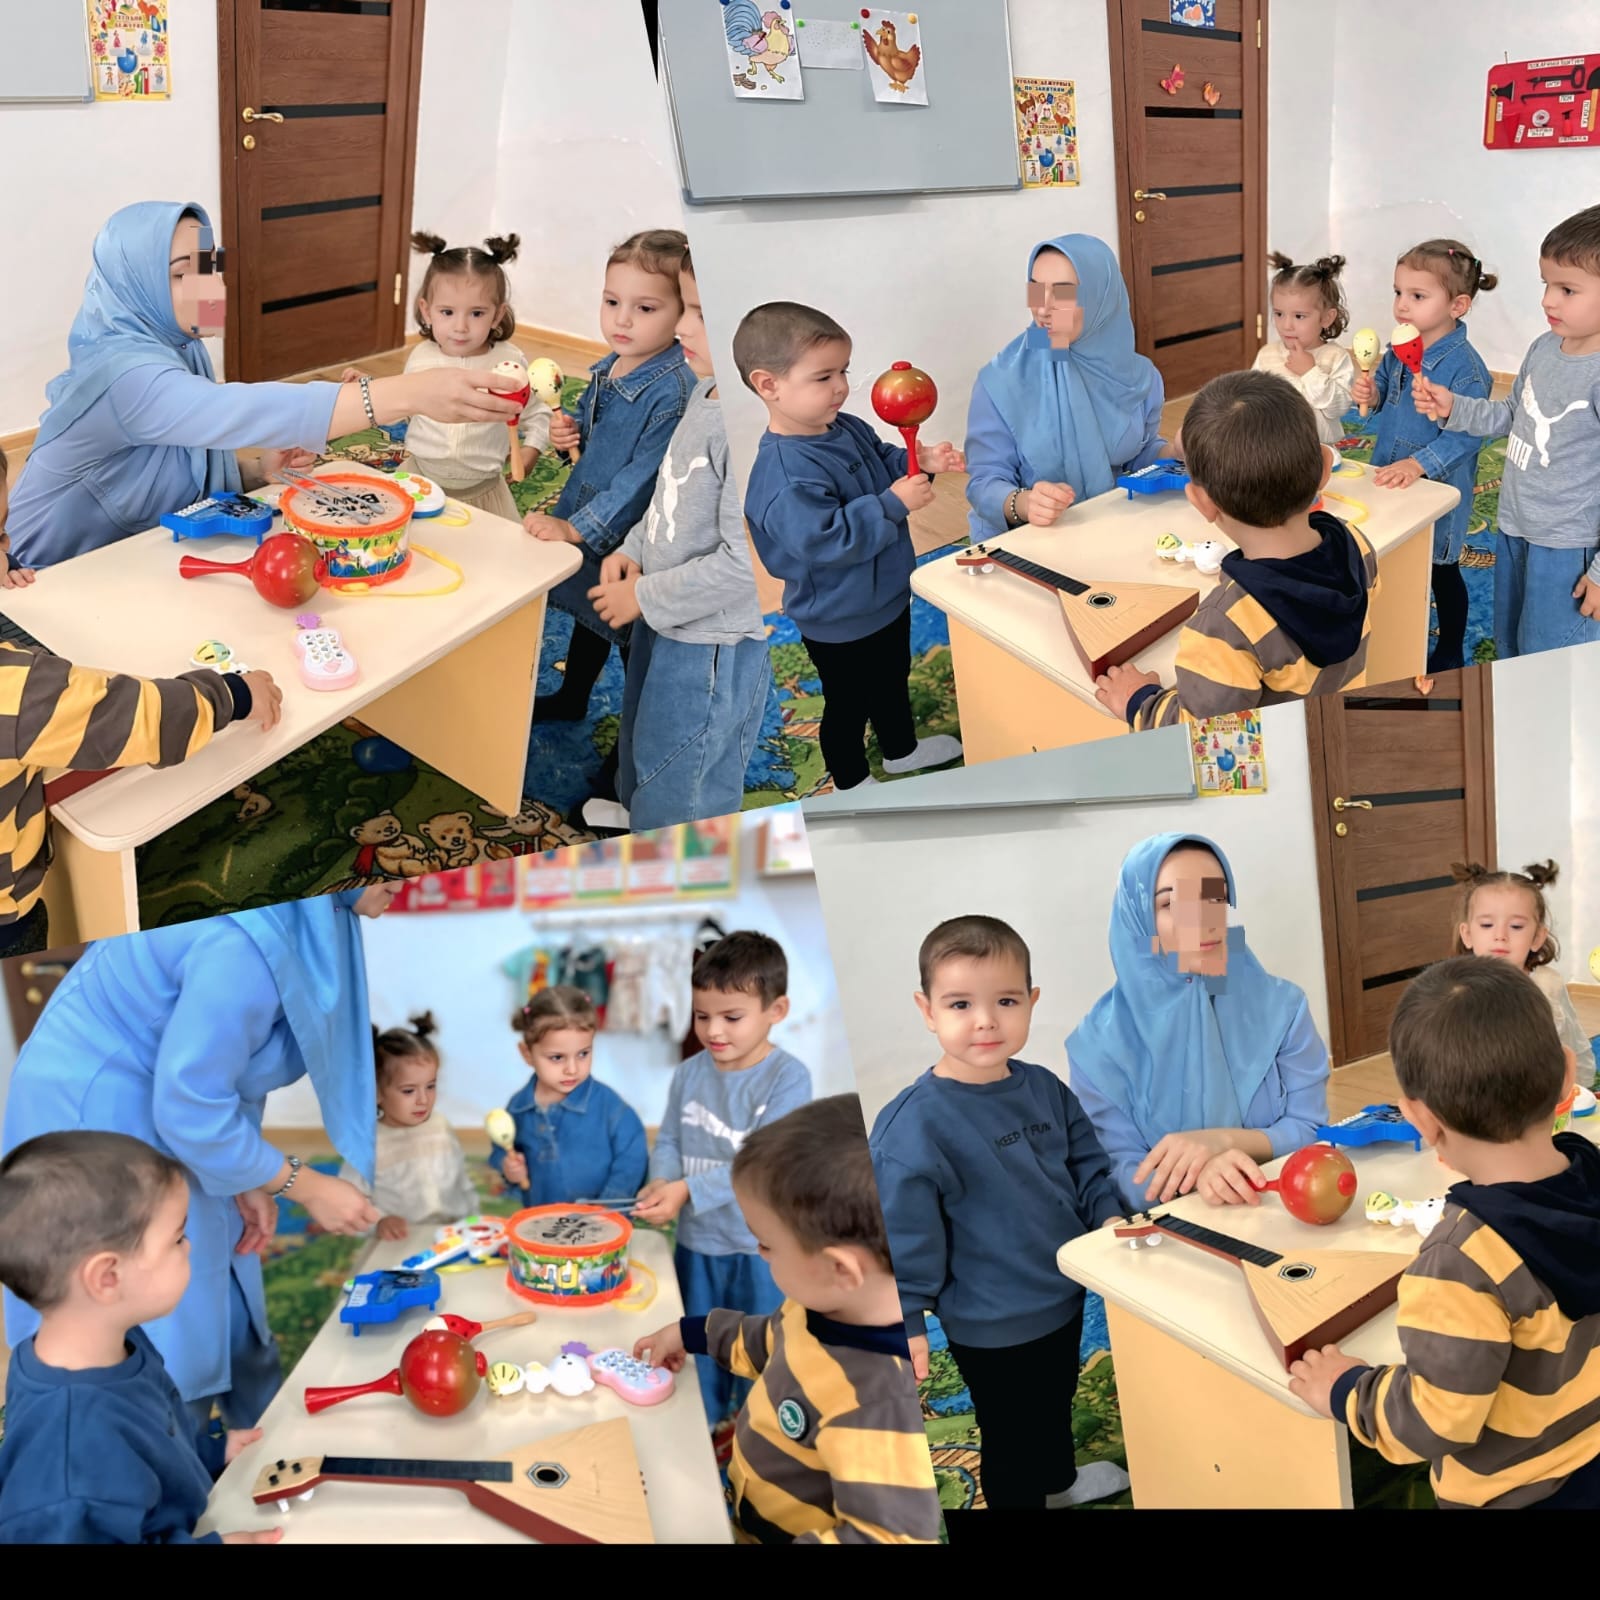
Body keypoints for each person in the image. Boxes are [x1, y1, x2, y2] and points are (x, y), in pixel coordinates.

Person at [1, 887, 400, 1432]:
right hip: (98, 1104)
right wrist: (303, 1183)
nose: (407, 878)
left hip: (171, 1096)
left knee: (219, 1248)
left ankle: (252, 1425)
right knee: (150, 1279)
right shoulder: (241, 945)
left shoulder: (305, 915)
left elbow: (223, 1072)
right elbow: (192, 1107)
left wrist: (247, 1174)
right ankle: (169, 1439)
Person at [6, 201, 521, 570]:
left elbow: (180, 449)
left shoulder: (177, 346)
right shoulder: (123, 376)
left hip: (123, 560)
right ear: (135, 284)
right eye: (184, 273)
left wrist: (254, 472)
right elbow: (232, 411)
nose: (213, 285)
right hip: (36, 579)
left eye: (212, 265)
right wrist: (410, 393)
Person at [1289, 957, 1600, 1509]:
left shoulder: (1461, 1259)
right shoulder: (1592, 1175)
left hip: (1514, 1495)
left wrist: (1345, 1389)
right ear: (1567, 1077)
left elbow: (1435, 1422)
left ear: (1420, 1119)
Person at [870, 915, 1130, 1510]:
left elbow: (1087, 1167)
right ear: (927, 1010)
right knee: (1010, 1437)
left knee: (1056, 1399)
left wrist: (1109, 1219)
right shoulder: (911, 1128)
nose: (986, 1020)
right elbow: (903, 1235)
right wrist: (905, 1318)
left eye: (1006, 1001)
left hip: (1063, 1295)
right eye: (960, 1004)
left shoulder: (1045, 1088)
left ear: (1032, 1002)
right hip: (989, 1325)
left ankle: (1058, 1482)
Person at [0, 448, 283, 960]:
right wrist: (235, 693)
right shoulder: (17, 691)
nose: (8, 546)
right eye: (0, 535)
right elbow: (135, 716)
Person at [636, 1096, 941, 1544]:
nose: (758, 1252)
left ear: (839, 1269)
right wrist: (688, 1333)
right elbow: (766, 1341)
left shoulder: (877, 1406)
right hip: (748, 1509)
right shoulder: (814, 1305)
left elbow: (886, 1537)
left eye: (766, 1244)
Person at [0, 1131, 284, 1544]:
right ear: (107, 1277)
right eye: (177, 1239)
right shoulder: (73, 1461)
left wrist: (207, 1454)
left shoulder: (113, 1343)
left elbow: (153, 1434)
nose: (189, 1247)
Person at [737, 301, 964, 792]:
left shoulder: (845, 426)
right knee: (849, 703)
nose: (841, 386)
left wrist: (918, 460)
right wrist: (892, 503)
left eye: (842, 370)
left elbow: (881, 459)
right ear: (769, 385)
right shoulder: (784, 477)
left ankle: (901, 750)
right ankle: (850, 779)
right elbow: (829, 539)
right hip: (838, 619)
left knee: (892, 679)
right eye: (823, 377)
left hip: (886, 596)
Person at [584, 247, 773, 834]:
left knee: (686, 756)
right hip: (666, 609)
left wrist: (643, 596)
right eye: (684, 309)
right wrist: (633, 548)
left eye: (700, 314)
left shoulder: (749, 435)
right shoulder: (704, 391)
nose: (682, 328)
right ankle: (636, 808)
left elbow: (744, 566)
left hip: (710, 638)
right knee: (647, 724)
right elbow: (670, 495)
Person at [1095, 370, 1378, 730]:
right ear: (1325, 469)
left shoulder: (1226, 625)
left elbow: (1199, 733)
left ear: (1201, 502)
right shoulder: (1355, 542)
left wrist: (1139, 700)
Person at [1068, 834, 1330, 1213]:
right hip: (1176, 1230)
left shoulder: (1281, 1007)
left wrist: (1223, 1142)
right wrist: (1201, 1175)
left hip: (1284, 1206)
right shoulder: (1096, 1047)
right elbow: (1119, 1177)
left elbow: (1313, 1129)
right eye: (1172, 903)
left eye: (1215, 898)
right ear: (1138, 920)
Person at [634, 930, 813, 1427]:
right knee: (699, 1340)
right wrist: (662, 1180)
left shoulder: (789, 1078)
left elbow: (759, 1162)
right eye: (701, 1015)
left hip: (761, 1249)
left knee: (762, 1345)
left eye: (731, 1017)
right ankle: (707, 1422)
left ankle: (761, 1428)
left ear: (776, 1011)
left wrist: (687, 1189)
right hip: (697, 1243)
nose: (713, 1030)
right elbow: (669, 1140)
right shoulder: (688, 1074)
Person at [525, 229, 696, 727]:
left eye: (645, 308)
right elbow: (596, 429)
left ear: (683, 313)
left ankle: (638, 739)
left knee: (632, 638)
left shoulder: (673, 391)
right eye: (612, 301)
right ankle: (573, 697)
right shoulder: (615, 364)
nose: (622, 319)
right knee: (593, 616)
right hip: (593, 516)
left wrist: (575, 528)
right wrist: (571, 431)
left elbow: (641, 481)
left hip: (628, 538)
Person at [1414, 205, 1600, 661]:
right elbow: (1511, 416)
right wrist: (1454, 407)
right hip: (1516, 525)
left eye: (1567, 289)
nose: (1548, 301)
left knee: (1553, 652)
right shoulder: (1544, 347)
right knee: (1513, 639)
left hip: (1569, 546)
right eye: (1546, 284)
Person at [1348, 238, 1495, 676]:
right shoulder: (1398, 349)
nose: (1402, 305)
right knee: (1390, 556)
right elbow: (1384, 394)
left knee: (1440, 570)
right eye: (1398, 292)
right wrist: (1370, 393)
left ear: (1458, 305)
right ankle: (1392, 630)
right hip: (1389, 473)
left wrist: (1419, 464)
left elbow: (1468, 437)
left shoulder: (1467, 370)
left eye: (1417, 296)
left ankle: (1449, 649)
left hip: (1437, 491)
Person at [965, 233, 1166, 537]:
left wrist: (1177, 450)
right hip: (1027, 540)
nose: (1042, 310)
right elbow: (983, 482)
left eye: (1062, 293)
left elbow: (1138, 454)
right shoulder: (1001, 380)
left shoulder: (1139, 377)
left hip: (1110, 527)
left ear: (1100, 297)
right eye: (1036, 290)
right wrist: (1024, 503)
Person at [343, 231, 552, 522]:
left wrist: (532, 449)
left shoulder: (510, 363)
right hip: (421, 481)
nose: (460, 327)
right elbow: (402, 408)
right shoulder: (421, 358)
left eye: (476, 313)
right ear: (427, 311)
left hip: (484, 490)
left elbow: (537, 413)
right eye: (447, 312)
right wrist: (371, 387)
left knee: (492, 548)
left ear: (497, 315)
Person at [489, 987, 647, 1209]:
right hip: (540, 1217)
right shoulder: (518, 1108)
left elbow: (632, 1162)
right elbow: (501, 1150)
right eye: (557, 1057)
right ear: (527, 1054)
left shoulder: (611, 1109)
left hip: (600, 1221)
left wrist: (605, 1211)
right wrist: (508, 1167)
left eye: (583, 1054)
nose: (572, 1069)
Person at [1451, 859, 1595, 1089]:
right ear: (1467, 934)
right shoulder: (1456, 989)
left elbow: (1572, 1044)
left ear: (1537, 937)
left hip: (1540, 1093)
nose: (1500, 935)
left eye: (1516, 927)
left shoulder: (1547, 985)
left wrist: (1578, 1089)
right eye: (1487, 925)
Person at [338, 1011, 476, 1241]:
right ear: (376, 1092)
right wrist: (379, 1222)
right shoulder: (367, 1144)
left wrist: (473, 1217)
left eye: (430, 1086)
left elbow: (461, 1181)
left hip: (452, 1234)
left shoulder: (440, 1126)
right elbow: (348, 1202)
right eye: (409, 1091)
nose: (423, 1099)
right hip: (399, 1239)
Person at [1252, 252, 1356, 445]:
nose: (1286, 325)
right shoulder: (1267, 355)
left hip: (1318, 450)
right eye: (1279, 314)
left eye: (1299, 316)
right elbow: (1251, 400)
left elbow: (1339, 407)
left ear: (1326, 318)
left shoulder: (1335, 357)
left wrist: (1310, 372)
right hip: (1271, 448)